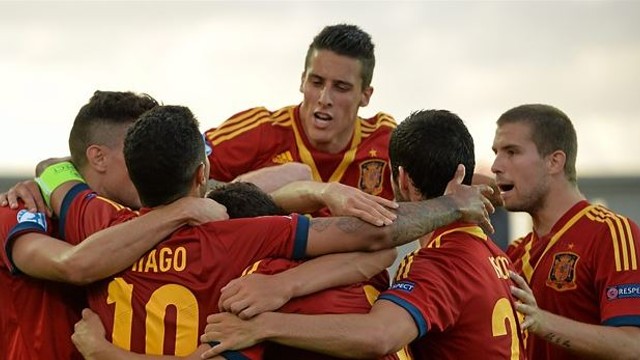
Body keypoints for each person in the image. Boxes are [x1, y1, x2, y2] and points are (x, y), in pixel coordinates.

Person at [54, 105, 492, 357]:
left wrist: (102, 352)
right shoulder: (245, 243)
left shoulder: (95, 222)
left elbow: (56, 175)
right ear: (203, 171)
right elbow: (374, 240)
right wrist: (453, 205)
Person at [200, 110, 525, 359]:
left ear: (401, 179)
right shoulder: (500, 259)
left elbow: (380, 334)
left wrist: (263, 325)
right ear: (464, 172)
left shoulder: (439, 262)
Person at [0, 91, 228, 360]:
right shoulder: (23, 209)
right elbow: (71, 265)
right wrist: (182, 210)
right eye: (137, 149)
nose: (151, 162)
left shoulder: (150, 220)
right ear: (98, 158)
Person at [490, 104, 640, 360]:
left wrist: (543, 322)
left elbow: (633, 346)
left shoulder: (612, 233)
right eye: (496, 152)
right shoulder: (515, 251)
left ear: (554, 161)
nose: (496, 166)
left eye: (511, 152)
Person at [203, 24, 395, 204]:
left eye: (341, 87)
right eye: (316, 82)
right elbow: (180, 171)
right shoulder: (262, 129)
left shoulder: (386, 141)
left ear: (365, 95)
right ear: (303, 81)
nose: (324, 98)